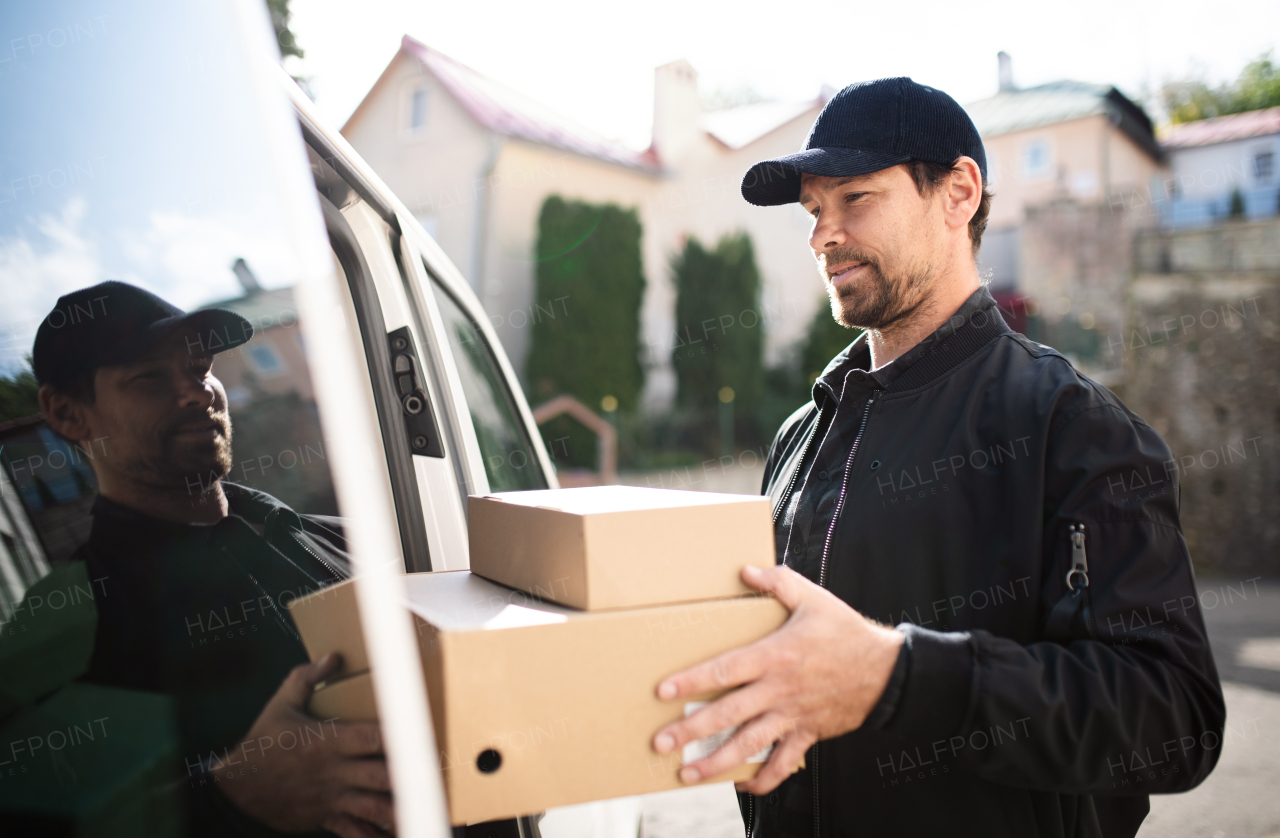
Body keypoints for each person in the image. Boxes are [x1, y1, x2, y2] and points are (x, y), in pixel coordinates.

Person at [650, 78, 1224, 837]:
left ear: (958, 194)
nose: (822, 234)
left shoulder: (1071, 426)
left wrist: (898, 678)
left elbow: (1171, 717)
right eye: (815, 210)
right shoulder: (800, 435)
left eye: (855, 198)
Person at [33, 281, 392, 838]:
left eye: (199, 367)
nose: (197, 393)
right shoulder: (72, 631)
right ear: (67, 413)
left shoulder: (345, 541)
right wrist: (230, 797)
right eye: (150, 377)